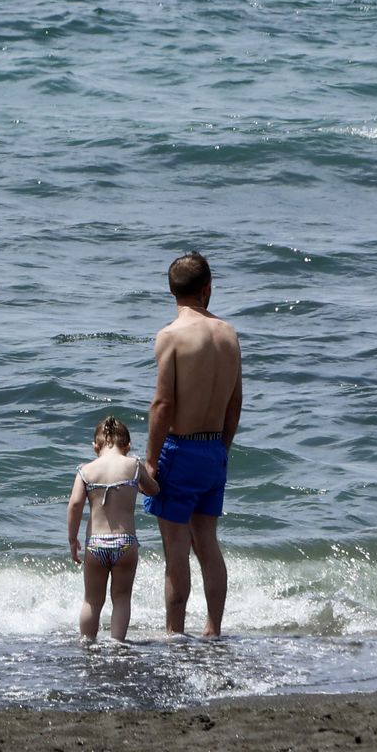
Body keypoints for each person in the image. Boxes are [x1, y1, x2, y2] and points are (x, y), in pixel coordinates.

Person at [143, 252, 242, 638]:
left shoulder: (171, 336)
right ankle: (213, 629)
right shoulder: (228, 334)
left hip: (179, 449)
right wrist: (222, 449)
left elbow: (163, 404)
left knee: (176, 548)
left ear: (172, 291)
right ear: (207, 289)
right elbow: (235, 402)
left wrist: (151, 462)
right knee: (208, 542)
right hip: (214, 448)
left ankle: (174, 633)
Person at [65, 415, 158, 644]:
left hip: (95, 543)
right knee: (122, 598)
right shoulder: (134, 465)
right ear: (127, 446)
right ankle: (117, 644)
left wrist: (72, 539)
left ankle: (88, 643)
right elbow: (154, 490)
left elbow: (75, 505)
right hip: (125, 542)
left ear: (95, 446)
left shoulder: (86, 471)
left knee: (92, 601)